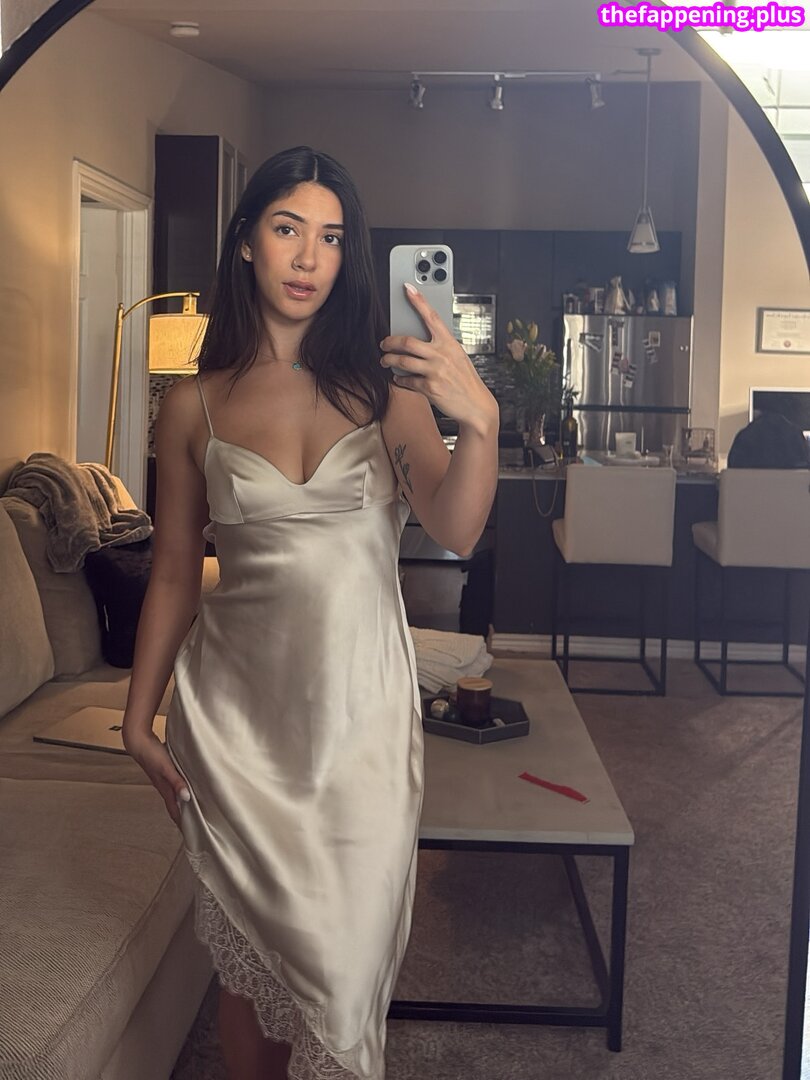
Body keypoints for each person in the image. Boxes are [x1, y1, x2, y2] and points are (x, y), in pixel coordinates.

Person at [121, 145, 499, 1080]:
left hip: (360, 725)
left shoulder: (386, 391)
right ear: (247, 240)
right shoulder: (191, 406)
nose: (307, 257)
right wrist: (136, 718)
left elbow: (455, 528)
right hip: (236, 723)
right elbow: (173, 573)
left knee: (346, 962)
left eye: (331, 238)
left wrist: (479, 422)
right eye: (288, 229)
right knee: (252, 964)